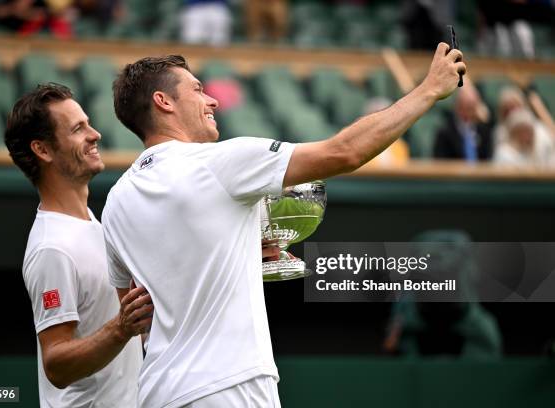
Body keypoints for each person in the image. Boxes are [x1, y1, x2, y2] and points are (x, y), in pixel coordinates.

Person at [103, 44, 465, 407]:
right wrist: (429, 89)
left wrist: (238, 256)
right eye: (198, 90)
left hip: (157, 393)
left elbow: (138, 317)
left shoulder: (116, 201)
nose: (211, 101)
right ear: (164, 102)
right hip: (230, 388)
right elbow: (345, 152)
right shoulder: (218, 162)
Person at [4, 83, 152, 407]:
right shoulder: (51, 249)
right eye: (78, 128)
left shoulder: (89, 220)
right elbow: (56, 363)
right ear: (43, 150)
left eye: (88, 123)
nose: (95, 134)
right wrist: (121, 328)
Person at [433, 85, 493, 161]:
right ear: (458, 107)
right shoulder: (444, 132)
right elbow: (440, 162)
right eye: (468, 108)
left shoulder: (483, 131)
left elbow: (487, 159)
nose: (471, 112)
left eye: (473, 107)